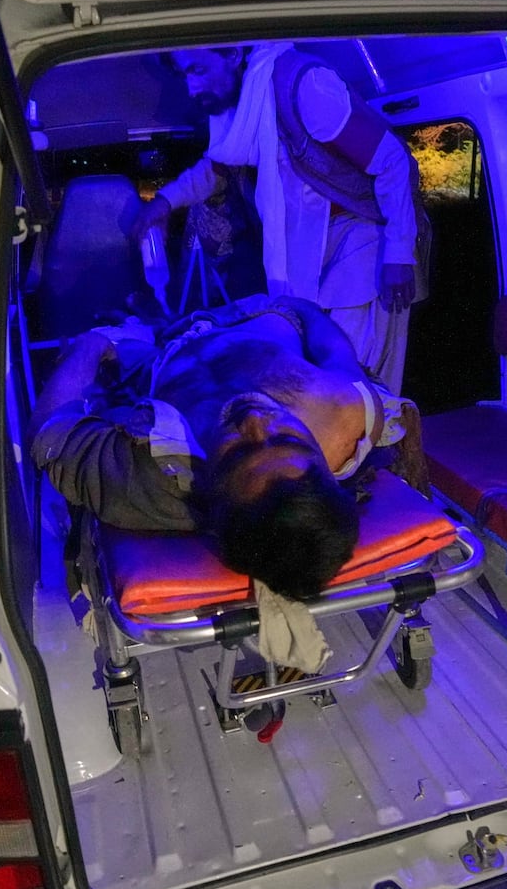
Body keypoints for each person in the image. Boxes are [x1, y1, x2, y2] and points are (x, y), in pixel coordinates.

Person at [30, 294, 426, 606]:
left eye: (238, 451)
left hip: (160, 352)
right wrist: (302, 307)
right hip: (264, 310)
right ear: (323, 460)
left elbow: (50, 434)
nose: (254, 421)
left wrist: (92, 345)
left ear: (212, 491)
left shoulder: (154, 479)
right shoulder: (343, 416)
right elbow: (334, 348)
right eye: (288, 439)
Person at [132, 43, 427, 394]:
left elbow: (392, 160)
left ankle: (377, 445)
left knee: (352, 379)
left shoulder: (304, 86)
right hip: (306, 246)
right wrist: (164, 202)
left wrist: (398, 253)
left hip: (361, 238)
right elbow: (218, 168)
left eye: (198, 70)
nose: (192, 89)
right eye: (184, 75)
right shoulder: (243, 107)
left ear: (233, 54)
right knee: (316, 367)